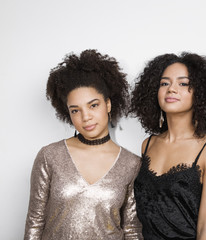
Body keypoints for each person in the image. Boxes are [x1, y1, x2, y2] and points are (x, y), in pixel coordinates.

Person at [24, 50, 143, 240]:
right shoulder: (50, 156)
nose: (85, 117)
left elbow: (131, 229)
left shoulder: (131, 164)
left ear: (108, 105)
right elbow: (35, 222)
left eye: (93, 105)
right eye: (75, 110)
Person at [130, 52, 206, 240]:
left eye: (183, 83)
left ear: (200, 93)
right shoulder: (147, 144)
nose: (171, 89)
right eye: (164, 83)